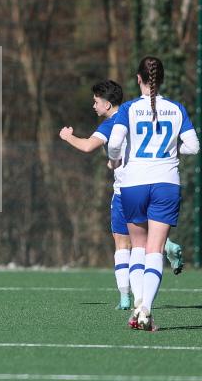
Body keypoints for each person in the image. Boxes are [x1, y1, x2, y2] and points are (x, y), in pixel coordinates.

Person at [60, 80, 185, 310]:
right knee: (148, 238)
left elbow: (88, 146)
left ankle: (126, 297)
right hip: (154, 184)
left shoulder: (113, 123)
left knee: (124, 244)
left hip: (126, 191)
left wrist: (68, 137)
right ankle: (165, 245)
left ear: (107, 104)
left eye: (96, 102)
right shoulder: (136, 113)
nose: (93, 106)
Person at [108, 56, 200, 331]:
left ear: (139, 79)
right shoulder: (177, 108)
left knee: (137, 247)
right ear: (161, 79)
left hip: (133, 183)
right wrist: (171, 151)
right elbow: (193, 147)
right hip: (166, 183)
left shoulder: (127, 109)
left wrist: (116, 159)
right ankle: (146, 307)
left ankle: (138, 305)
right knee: (155, 250)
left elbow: (114, 144)